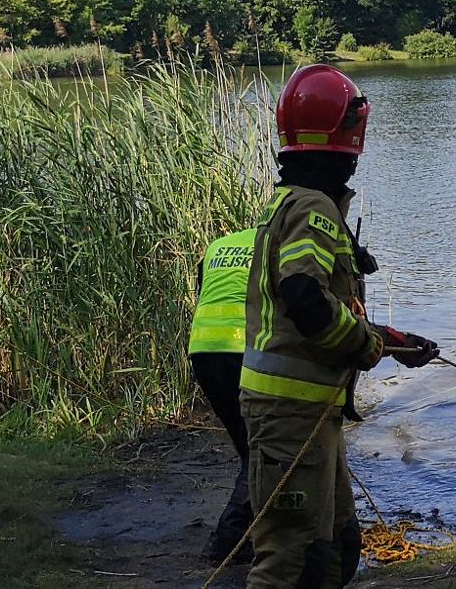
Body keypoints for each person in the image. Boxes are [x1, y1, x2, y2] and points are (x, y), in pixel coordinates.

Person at [241, 64, 440, 588]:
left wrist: (392, 343)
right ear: (348, 136)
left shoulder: (298, 201)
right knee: (288, 557)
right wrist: (367, 348)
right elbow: (303, 297)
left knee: (335, 547)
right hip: (290, 416)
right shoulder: (313, 207)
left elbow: (327, 305)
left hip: (308, 412)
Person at [188, 225, 258, 563]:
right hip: (242, 350)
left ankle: (249, 531)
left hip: (202, 350)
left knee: (248, 444)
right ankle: (228, 539)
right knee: (258, 448)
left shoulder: (219, 245)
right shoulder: (276, 246)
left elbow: (204, 291)